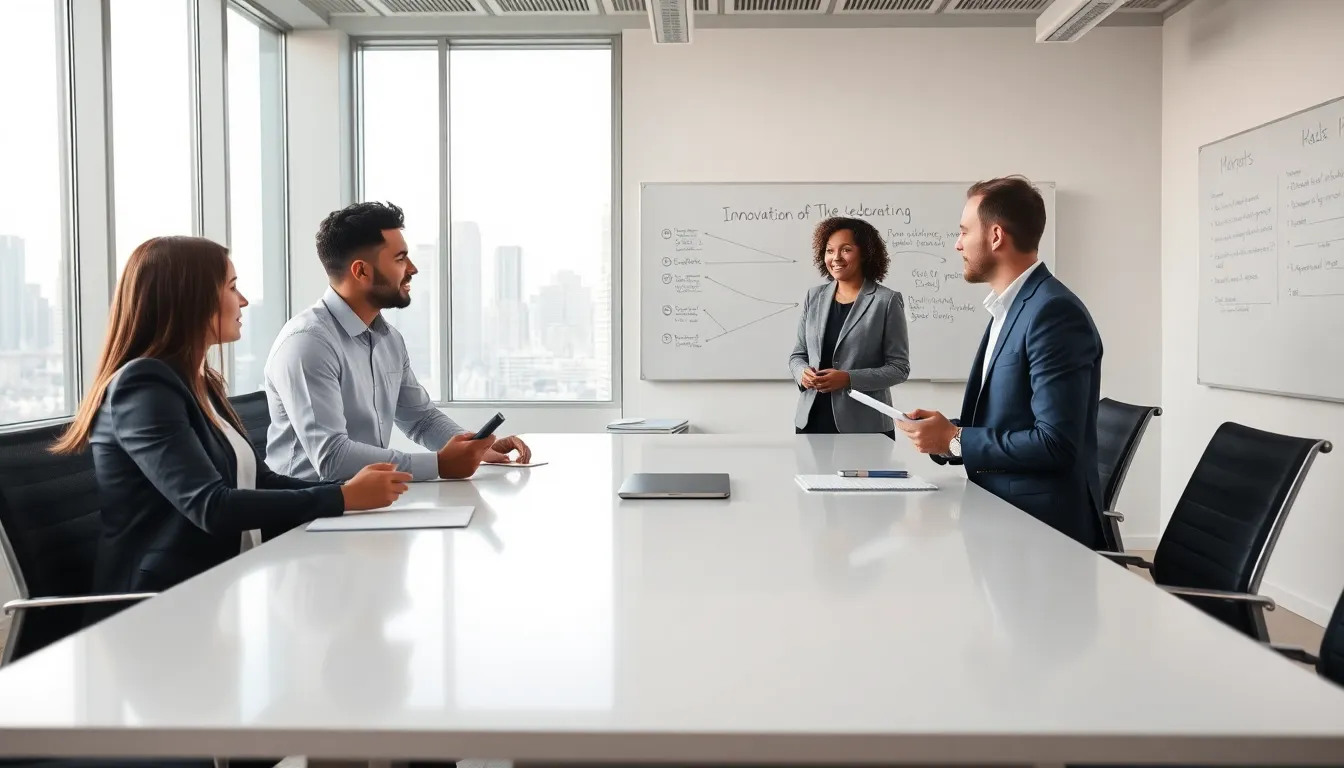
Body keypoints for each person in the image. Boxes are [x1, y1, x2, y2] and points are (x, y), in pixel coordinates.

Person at [51, 236, 412, 622]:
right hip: (158, 606)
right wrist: (342, 498)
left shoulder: (199, 382)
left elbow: (260, 481)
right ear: (190, 298)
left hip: (222, 584)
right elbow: (211, 506)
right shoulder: (144, 386)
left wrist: (349, 492)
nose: (242, 301)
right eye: (232, 287)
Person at [897, 176, 1105, 549]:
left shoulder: (1052, 313)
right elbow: (1012, 422)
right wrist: (946, 437)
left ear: (995, 237)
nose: (957, 244)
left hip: (1040, 538)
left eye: (963, 232)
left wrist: (956, 439)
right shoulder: (1010, 308)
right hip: (999, 517)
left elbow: (1056, 443)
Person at [264, 202, 532, 482]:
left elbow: (421, 418)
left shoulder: (388, 338)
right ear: (362, 271)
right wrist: (439, 464)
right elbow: (333, 459)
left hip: (362, 503)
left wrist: (473, 447)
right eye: (400, 259)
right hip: (306, 515)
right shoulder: (308, 344)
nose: (413, 269)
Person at [789, 216, 911, 439]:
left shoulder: (886, 301)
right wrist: (802, 373)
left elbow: (899, 368)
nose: (835, 258)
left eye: (845, 250)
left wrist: (848, 378)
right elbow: (798, 355)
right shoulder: (814, 296)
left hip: (865, 425)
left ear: (864, 253)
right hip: (811, 420)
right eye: (829, 250)